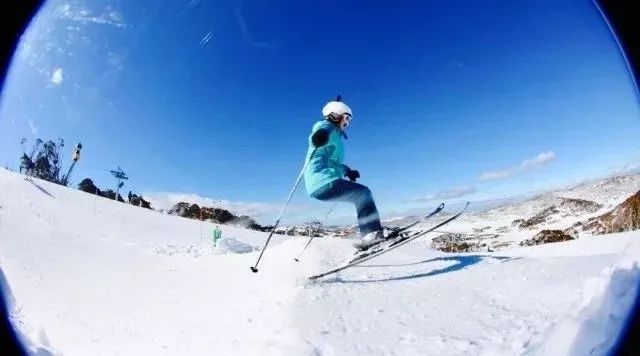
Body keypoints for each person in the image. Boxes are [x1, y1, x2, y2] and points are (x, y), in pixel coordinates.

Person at [304, 96, 393, 251]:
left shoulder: (335, 134)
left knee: (362, 195)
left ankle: (370, 235)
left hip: (320, 184)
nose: (347, 123)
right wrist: (319, 137)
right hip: (323, 181)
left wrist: (347, 171)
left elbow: (331, 162)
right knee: (363, 194)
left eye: (349, 120)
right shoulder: (327, 127)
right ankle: (371, 234)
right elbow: (318, 134)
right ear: (335, 115)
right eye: (346, 118)